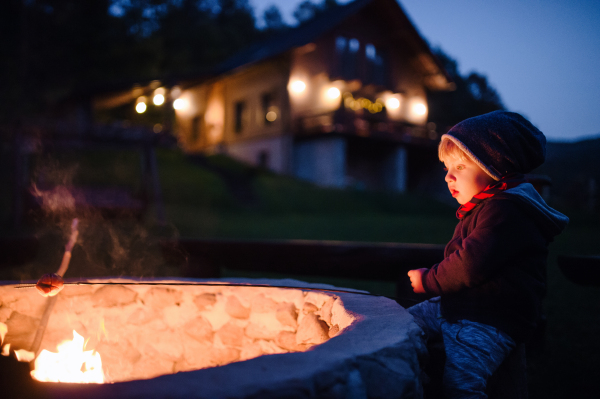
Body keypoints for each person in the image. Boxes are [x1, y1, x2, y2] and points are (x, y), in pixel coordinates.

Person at [407, 110, 569, 397]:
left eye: (459, 166)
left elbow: (470, 264)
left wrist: (428, 281)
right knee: (402, 323)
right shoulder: (492, 205)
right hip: (463, 306)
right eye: (446, 168)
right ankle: (403, 368)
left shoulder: (506, 210)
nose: (448, 177)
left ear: (495, 166)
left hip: (489, 318)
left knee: (461, 384)